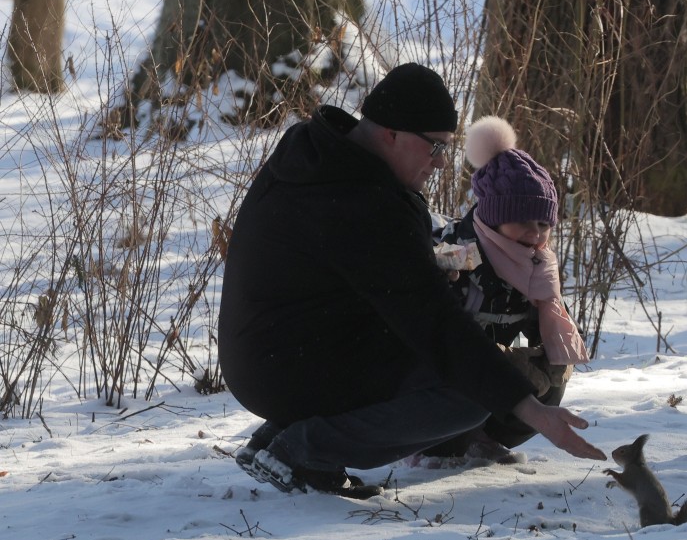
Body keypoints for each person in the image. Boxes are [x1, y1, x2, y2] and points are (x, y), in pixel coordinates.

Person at [217, 63, 605, 498]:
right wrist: (529, 407)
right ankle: (303, 449)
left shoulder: (318, 157)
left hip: (271, 355)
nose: (440, 163)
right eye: (435, 148)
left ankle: (281, 440)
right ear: (392, 134)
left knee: (439, 355)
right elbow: (432, 320)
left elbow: (360, 275)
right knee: (466, 396)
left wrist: (425, 262)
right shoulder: (362, 200)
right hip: (287, 364)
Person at [423, 116, 590, 462]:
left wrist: (541, 360)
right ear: (493, 217)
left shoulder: (536, 266)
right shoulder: (455, 255)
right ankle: (438, 443)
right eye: (524, 221)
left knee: (552, 372)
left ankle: (481, 438)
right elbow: (435, 335)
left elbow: (544, 334)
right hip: (439, 374)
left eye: (544, 223)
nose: (536, 233)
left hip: (485, 372)